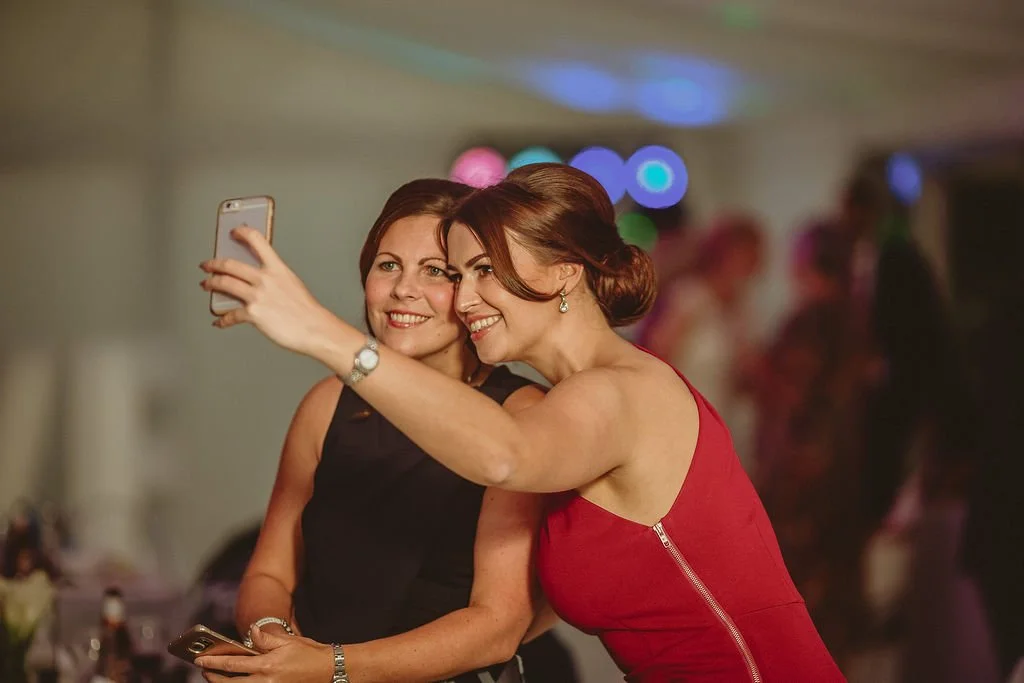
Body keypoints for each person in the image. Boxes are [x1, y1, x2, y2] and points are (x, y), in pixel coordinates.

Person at [197, 163, 844, 682]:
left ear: (564, 272)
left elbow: (503, 456)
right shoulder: (570, 406)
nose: (465, 298)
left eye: (483, 271)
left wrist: (320, 332)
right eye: (461, 274)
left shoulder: (624, 392)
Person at [210, 179, 547, 683]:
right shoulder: (327, 404)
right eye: (388, 265)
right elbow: (269, 573)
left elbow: (498, 626)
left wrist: (330, 668)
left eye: (435, 270)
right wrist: (274, 639)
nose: (403, 289)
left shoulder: (519, 415)